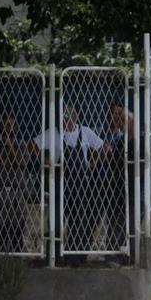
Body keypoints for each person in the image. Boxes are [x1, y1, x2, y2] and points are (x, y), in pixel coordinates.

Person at [33, 106, 108, 258]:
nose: (67, 117)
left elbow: (105, 147)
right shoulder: (54, 133)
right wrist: (48, 162)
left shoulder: (85, 132)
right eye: (64, 114)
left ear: (76, 115)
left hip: (80, 186)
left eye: (70, 114)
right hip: (60, 184)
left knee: (79, 221)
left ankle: (75, 257)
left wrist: (92, 164)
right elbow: (33, 146)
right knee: (56, 220)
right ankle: (53, 256)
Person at [0, 114, 32, 253]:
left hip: (17, 189)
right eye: (6, 125)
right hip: (0, 189)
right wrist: (9, 159)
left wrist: (10, 147)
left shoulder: (21, 144)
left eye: (11, 125)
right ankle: (1, 249)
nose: (8, 128)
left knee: (17, 222)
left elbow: (21, 163)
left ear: (15, 127)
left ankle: (16, 252)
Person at [99, 103, 135, 251]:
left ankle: (119, 252)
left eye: (120, 114)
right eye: (114, 114)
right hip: (102, 181)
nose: (117, 117)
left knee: (122, 221)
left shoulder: (124, 138)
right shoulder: (101, 133)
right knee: (110, 219)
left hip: (120, 183)